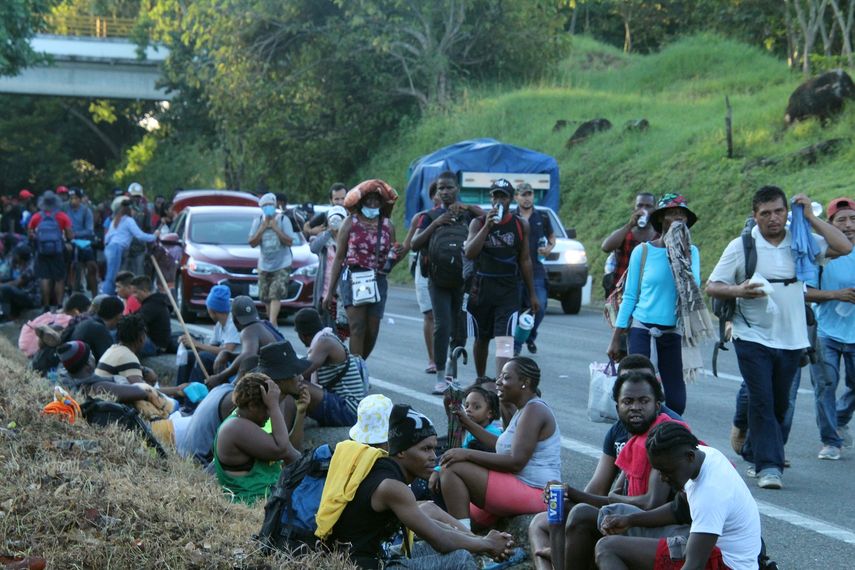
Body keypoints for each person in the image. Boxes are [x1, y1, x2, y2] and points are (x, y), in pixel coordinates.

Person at [706, 186, 852, 489]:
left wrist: (810, 217)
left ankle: (752, 449)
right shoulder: (742, 245)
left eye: (779, 211)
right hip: (751, 334)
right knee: (762, 399)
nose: (773, 218)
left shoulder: (801, 240)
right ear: (754, 216)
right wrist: (738, 290)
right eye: (765, 213)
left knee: (781, 403)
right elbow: (713, 285)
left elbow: (844, 246)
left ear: (787, 212)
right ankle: (769, 466)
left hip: (792, 337)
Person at [327, 403, 516, 569]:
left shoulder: (383, 469)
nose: (434, 456)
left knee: (440, 525)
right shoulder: (391, 486)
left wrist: (480, 541)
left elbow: (431, 519)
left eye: (434, 448)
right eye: (425, 449)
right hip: (361, 565)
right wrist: (487, 545)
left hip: (378, 555)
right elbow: (441, 540)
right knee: (460, 558)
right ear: (401, 451)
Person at [559, 369, 690, 570]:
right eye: (628, 402)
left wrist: (615, 499)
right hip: (647, 520)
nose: (635, 408)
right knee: (565, 507)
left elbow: (650, 503)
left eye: (643, 401)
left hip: (675, 529)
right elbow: (613, 497)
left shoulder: (662, 438)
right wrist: (571, 492)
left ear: (657, 406)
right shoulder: (633, 441)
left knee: (583, 518)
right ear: (617, 407)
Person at [595, 423, 762, 570]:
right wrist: (630, 520)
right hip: (719, 554)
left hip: (725, 564)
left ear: (689, 457)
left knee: (607, 549)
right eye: (659, 471)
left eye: (668, 471)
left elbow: (694, 565)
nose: (663, 478)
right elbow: (678, 510)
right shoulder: (704, 456)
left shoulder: (710, 493)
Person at [607, 194, 703, 415]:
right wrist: (616, 337)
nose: (677, 219)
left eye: (681, 215)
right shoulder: (643, 252)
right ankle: (636, 440)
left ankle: (665, 437)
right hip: (642, 330)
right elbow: (630, 296)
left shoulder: (691, 252)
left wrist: (681, 257)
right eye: (672, 214)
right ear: (662, 220)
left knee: (676, 401)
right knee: (638, 395)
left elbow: (693, 289)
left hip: (673, 331)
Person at [439, 357, 560, 530]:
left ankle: (464, 543)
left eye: (505, 377)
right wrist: (466, 422)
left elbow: (515, 462)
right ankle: (465, 535)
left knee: (452, 468)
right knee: (462, 511)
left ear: (525, 382)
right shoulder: (524, 410)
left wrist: (466, 454)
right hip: (520, 485)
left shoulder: (535, 410)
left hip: (538, 492)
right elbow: (500, 446)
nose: (498, 382)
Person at [412, 173, 482, 392]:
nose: (444, 192)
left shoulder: (467, 214)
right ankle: (440, 377)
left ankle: (453, 374)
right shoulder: (429, 216)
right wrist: (436, 224)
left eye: (449, 188)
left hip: (462, 282)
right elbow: (414, 243)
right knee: (442, 326)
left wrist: (468, 207)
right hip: (437, 280)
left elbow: (487, 219)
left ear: (457, 189)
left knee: (460, 329)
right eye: (441, 188)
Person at [464, 179, 539, 382]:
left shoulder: (520, 224)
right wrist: (487, 227)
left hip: (507, 289)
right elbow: (470, 252)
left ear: (510, 199)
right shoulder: (478, 223)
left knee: (505, 339)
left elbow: (525, 260)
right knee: (481, 338)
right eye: (495, 196)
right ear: (491, 198)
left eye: (503, 196)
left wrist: (532, 294)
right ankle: (480, 380)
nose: (499, 200)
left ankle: (501, 385)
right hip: (482, 288)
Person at [324, 179, 402, 359]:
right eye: (369, 199)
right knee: (357, 326)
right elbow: (339, 258)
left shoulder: (388, 226)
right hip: (353, 276)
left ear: (382, 203)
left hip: (377, 279)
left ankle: (359, 363)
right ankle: (356, 372)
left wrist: (397, 254)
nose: (373, 203)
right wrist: (330, 292)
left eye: (377, 200)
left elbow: (392, 255)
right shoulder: (350, 223)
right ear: (361, 201)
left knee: (372, 329)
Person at [805, 197, 855, 460]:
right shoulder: (823, 251)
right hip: (826, 331)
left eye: (853, 219)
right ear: (831, 225)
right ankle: (830, 440)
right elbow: (806, 292)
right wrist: (836, 294)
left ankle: (840, 417)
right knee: (825, 384)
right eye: (841, 220)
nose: (848, 225)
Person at [211, 371, 305, 504]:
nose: (269, 415)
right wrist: (274, 406)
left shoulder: (245, 423)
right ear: (252, 406)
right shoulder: (235, 428)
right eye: (267, 408)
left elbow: (291, 454)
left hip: (270, 498)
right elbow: (281, 449)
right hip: (254, 503)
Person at [292, 307, 368, 427]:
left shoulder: (325, 343)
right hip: (348, 407)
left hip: (350, 411)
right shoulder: (326, 339)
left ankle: (281, 433)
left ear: (302, 335)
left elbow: (302, 372)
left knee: (294, 385)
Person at [176, 355, 258, 465]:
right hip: (198, 464)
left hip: (184, 454)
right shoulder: (234, 400)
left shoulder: (220, 388)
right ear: (248, 378)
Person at [403, 181, 441, 378]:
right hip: (425, 272)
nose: (440, 195)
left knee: (447, 318)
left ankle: (445, 359)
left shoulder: (461, 216)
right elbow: (409, 245)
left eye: (445, 190)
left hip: (449, 274)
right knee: (430, 316)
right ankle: (433, 359)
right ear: (432, 196)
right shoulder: (423, 217)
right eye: (436, 192)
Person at [513, 183, 555, 355]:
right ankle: (516, 345)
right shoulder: (511, 216)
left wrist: (548, 248)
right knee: (514, 310)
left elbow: (551, 237)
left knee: (541, 306)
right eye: (523, 194)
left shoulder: (542, 216)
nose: (527, 197)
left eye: (530, 194)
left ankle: (529, 335)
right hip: (514, 271)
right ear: (516, 197)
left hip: (536, 270)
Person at [205, 295, 285, 388]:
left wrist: (219, 377)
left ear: (234, 319)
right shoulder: (259, 326)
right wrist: (228, 355)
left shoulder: (248, 330)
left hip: (275, 381)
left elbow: (249, 356)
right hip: (277, 375)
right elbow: (253, 355)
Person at [248, 192, 300, 325]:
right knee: (265, 297)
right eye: (265, 205)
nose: (268, 207)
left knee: (276, 293)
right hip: (264, 264)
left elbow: (289, 242)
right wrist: (262, 228)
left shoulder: (283, 220)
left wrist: (276, 229)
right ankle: (272, 322)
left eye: (270, 204)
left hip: (282, 263)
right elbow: (252, 243)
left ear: (275, 204)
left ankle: (272, 322)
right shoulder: (258, 221)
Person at [177, 284, 241, 384]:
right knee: (190, 355)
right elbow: (210, 347)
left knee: (204, 357)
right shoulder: (219, 325)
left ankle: (195, 395)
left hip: (232, 364)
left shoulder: (232, 323)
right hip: (222, 361)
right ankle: (180, 393)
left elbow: (227, 351)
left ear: (212, 309)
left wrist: (197, 344)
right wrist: (191, 344)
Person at [56, 340, 154, 404]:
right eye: (90, 354)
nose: (93, 356)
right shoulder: (97, 387)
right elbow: (141, 392)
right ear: (88, 364)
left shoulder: (68, 382)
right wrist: (120, 380)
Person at [601, 192, 658, 298]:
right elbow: (606, 247)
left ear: (655, 209)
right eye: (640, 205)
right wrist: (630, 225)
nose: (643, 209)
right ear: (634, 208)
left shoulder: (659, 236)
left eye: (648, 206)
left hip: (648, 294)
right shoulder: (625, 233)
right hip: (621, 292)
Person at [27, 190, 73, 311]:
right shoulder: (62, 216)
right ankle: (59, 305)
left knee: (45, 277)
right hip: (58, 251)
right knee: (59, 278)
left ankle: (46, 305)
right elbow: (69, 235)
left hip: (42, 251)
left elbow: (30, 233)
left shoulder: (37, 217)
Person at [101, 198, 157, 296]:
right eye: (134, 210)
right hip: (117, 248)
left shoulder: (116, 219)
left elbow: (107, 237)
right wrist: (154, 236)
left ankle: (113, 296)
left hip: (110, 248)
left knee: (114, 275)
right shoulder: (129, 220)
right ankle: (106, 297)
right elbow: (140, 235)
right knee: (112, 277)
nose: (135, 213)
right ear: (130, 210)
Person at [18, 292, 90, 358]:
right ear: (76, 312)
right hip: (35, 352)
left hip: (23, 344)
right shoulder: (69, 320)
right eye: (86, 312)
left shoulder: (48, 315)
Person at [309, 205, 348, 326]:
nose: (336, 222)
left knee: (341, 324)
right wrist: (328, 231)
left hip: (342, 286)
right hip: (325, 286)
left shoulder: (349, 237)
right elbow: (314, 248)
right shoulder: (325, 238)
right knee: (325, 322)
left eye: (339, 219)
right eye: (333, 219)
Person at [69, 295, 124, 361]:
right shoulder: (99, 329)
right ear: (119, 316)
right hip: (83, 367)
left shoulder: (89, 321)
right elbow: (110, 360)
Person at [130, 275, 174, 355]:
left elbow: (134, 323)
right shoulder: (151, 302)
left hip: (155, 346)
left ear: (145, 290)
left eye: (135, 292)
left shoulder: (153, 304)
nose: (133, 296)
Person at [66, 187, 98, 296]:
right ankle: (69, 287)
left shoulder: (86, 211)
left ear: (80, 199)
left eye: (75, 198)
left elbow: (90, 230)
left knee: (91, 266)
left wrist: (75, 234)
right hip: (68, 241)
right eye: (71, 198)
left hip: (83, 242)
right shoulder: (65, 210)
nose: (73, 201)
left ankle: (94, 295)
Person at [0, 245, 39, 320]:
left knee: (5, 289)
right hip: (22, 292)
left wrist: (1, 285)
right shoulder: (20, 264)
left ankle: (6, 316)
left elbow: (18, 283)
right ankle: (10, 315)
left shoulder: (30, 267)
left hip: (31, 297)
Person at [121, 182, 153, 276]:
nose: (136, 198)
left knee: (139, 275)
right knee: (124, 276)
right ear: (129, 195)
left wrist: (150, 249)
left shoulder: (145, 210)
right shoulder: (122, 208)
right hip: (125, 247)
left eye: (138, 196)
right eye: (134, 196)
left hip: (139, 247)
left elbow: (148, 229)